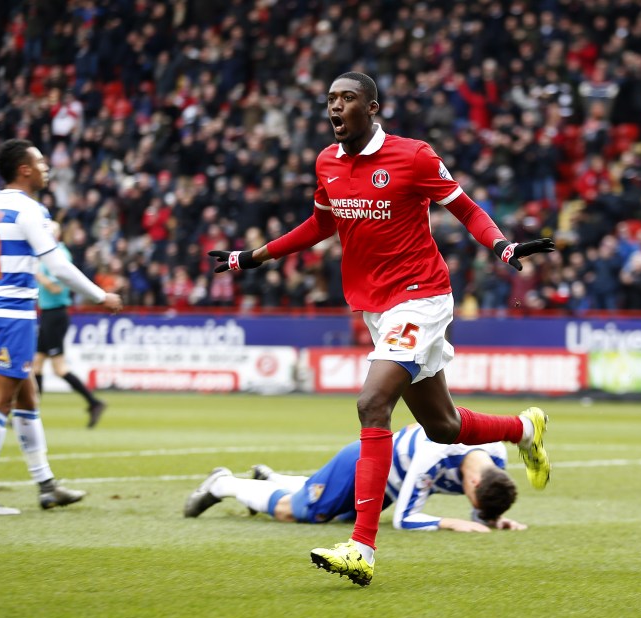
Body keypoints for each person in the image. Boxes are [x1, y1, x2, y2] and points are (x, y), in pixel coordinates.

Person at [208, 72, 554, 586]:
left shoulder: (412, 155)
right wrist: (251, 257)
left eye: (346, 98)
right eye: (330, 100)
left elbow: (463, 206)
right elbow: (321, 224)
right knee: (443, 426)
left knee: (373, 403)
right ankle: (525, 430)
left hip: (422, 299)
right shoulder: (327, 161)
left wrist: (502, 246)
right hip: (378, 308)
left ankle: (362, 548)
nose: (335, 107)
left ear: (373, 108)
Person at [0, 139, 123, 516]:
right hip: (13, 314)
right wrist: (100, 295)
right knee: (0, 399)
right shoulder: (29, 211)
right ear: (24, 170)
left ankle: (47, 486)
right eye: (40, 162)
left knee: (28, 395)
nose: (46, 168)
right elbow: (58, 267)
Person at [184, 424, 528, 536]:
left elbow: (482, 502)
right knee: (302, 511)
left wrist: (493, 521)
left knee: (339, 516)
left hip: (389, 483)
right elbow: (404, 520)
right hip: (366, 464)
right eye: (474, 504)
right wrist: (452, 523)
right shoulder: (435, 455)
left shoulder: (495, 455)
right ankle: (222, 483)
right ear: (472, 486)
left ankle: (272, 478)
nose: (473, 510)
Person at [33, 220, 107, 428]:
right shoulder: (49, 255)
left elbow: (57, 289)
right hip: (48, 314)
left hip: (55, 315)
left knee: (59, 368)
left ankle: (94, 402)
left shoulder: (59, 255)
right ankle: (30, 413)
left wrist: (37, 274)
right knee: (36, 365)